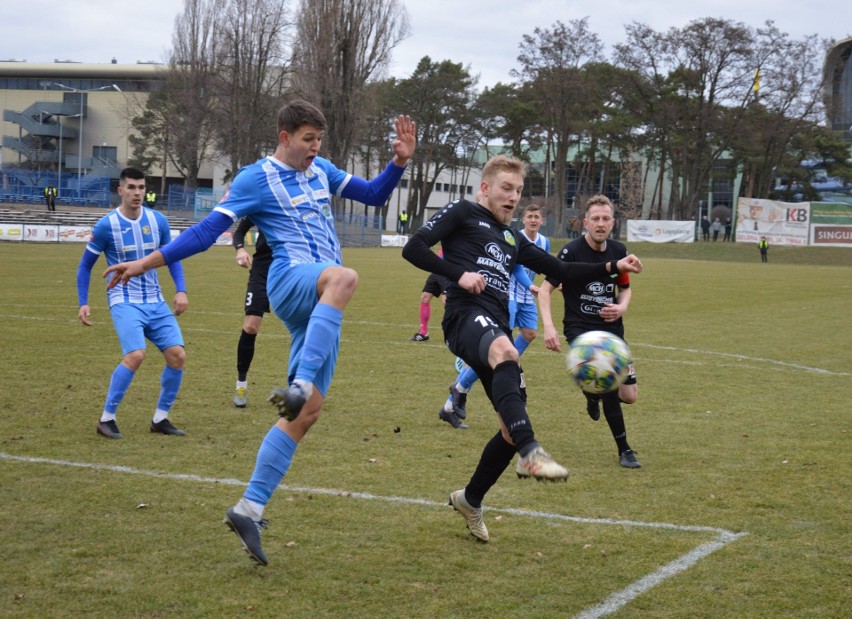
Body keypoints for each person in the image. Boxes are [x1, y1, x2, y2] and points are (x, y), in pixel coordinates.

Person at [103, 100, 416, 565]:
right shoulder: (255, 178)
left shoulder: (321, 170)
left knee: (305, 415)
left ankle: (249, 506)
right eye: (308, 139)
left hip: (318, 298)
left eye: (319, 141)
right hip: (290, 278)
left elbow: (371, 195)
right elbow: (206, 232)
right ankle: (299, 382)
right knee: (345, 277)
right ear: (285, 136)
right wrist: (146, 263)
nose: (315, 148)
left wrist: (399, 162)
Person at [402, 155, 642, 542]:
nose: (513, 197)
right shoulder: (463, 213)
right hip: (464, 316)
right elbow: (413, 247)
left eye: (517, 190)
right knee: (507, 353)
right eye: (505, 188)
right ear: (485, 188)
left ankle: (471, 498)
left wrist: (613, 267)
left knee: (508, 428)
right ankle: (531, 452)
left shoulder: (512, 237)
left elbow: (562, 271)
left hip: (494, 323)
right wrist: (458, 275)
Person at [76, 167, 188, 440]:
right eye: (132, 188)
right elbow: (85, 266)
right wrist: (83, 302)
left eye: (141, 188)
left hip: (155, 300)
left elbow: (171, 257)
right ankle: (107, 418)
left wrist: (181, 290)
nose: (137, 193)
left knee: (177, 356)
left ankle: (160, 419)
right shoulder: (106, 226)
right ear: (121, 191)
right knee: (136, 355)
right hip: (124, 300)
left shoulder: (157, 220)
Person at [538, 194, 641, 469]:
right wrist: (549, 327)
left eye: (605, 218)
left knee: (629, 396)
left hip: (613, 331)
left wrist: (621, 308)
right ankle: (625, 450)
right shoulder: (570, 252)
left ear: (613, 223)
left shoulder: (619, 251)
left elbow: (625, 288)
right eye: (595, 218)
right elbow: (546, 290)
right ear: (585, 222)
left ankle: (590, 393)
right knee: (609, 385)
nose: (600, 223)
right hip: (581, 331)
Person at [439, 203, 548, 429]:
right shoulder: (512, 236)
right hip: (507, 296)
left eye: (537, 217)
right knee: (498, 354)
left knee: (528, 334)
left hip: (527, 298)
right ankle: (457, 393)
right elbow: (516, 268)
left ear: (542, 220)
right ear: (524, 219)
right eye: (530, 216)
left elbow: (544, 265)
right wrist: (530, 286)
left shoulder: (544, 242)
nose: (534, 220)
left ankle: (458, 393)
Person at [232, 216, 273, 407]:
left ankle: (302, 386)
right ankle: (241, 385)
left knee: (301, 324)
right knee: (250, 326)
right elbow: (239, 231)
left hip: (291, 267)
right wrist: (240, 248)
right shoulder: (262, 200)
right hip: (262, 268)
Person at [409, 270, 448, 342]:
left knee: (447, 301)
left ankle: (457, 332)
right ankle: (423, 333)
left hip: (447, 272)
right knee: (425, 297)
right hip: (437, 271)